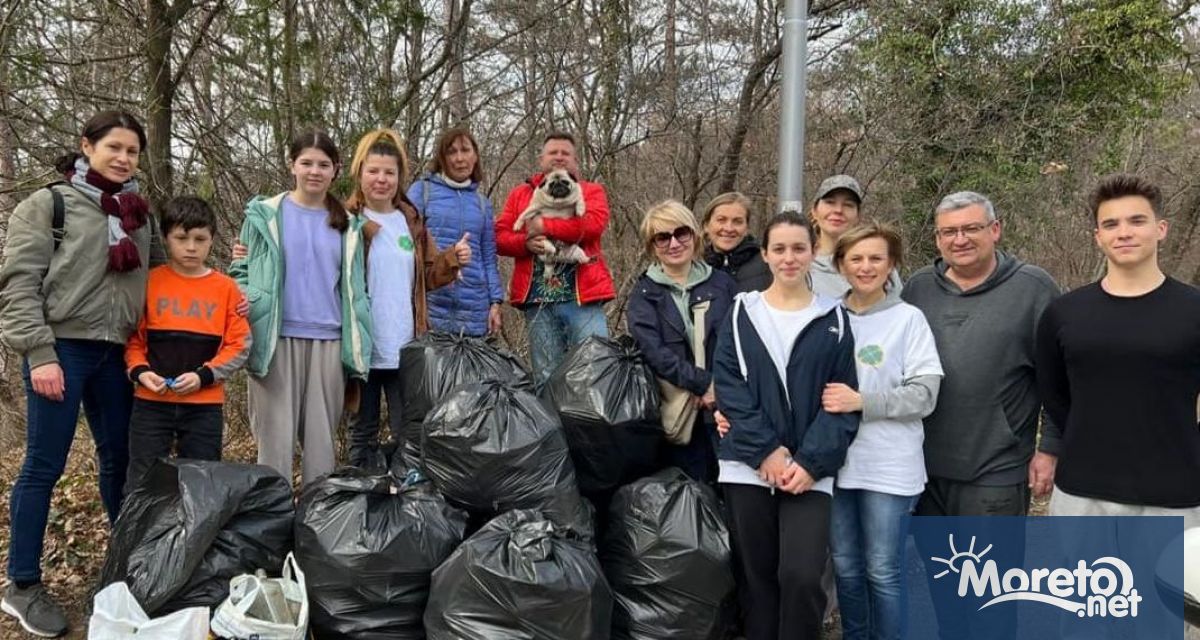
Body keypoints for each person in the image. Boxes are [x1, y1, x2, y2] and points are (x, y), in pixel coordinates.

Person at [0, 110, 157, 636]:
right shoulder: (49, 205)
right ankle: (22, 583)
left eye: (132, 151)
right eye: (114, 147)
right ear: (86, 146)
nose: (123, 158)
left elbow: (165, 273)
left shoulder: (140, 214)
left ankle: (123, 570)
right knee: (45, 465)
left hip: (118, 355)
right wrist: (39, 353)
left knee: (120, 461)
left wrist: (236, 266)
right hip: (61, 349)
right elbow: (19, 285)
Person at [901, 191, 1059, 640]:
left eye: (971, 228)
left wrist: (1049, 448)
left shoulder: (1033, 288)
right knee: (947, 594)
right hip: (927, 473)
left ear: (995, 229)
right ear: (936, 238)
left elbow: (1060, 380)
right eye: (949, 231)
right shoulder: (917, 289)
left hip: (995, 469)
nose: (960, 239)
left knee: (990, 597)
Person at [713, 211, 859, 640]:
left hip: (809, 473)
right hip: (748, 466)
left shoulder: (835, 318)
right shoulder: (743, 312)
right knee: (757, 581)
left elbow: (843, 403)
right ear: (765, 254)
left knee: (800, 575)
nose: (789, 258)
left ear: (813, 253)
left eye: (799, 248)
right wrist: (767, 451)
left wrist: (810, 462)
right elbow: (730, 386)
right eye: (779, 249)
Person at [1037, 174, 1199, 524]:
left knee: (1168, 583)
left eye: (1137, 220)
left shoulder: (1194, 310)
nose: (1123, 232)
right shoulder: (1063, 313)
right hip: (1082, 494)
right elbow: (1054, 396)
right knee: (1084, 582)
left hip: (1173, 496)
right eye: (1110, 224)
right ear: (1098, 237)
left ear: (1161, 229)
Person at [229, 129, 371, 487]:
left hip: (329, 342)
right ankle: (272, 530)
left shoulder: (349, 225)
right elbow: (241, 271)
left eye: (323, 164)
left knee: (321, 448)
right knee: (274, 445)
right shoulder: (264, 215)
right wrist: (246, 295)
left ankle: (315, 527)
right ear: (291, 165)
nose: (314, 171)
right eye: (306, 162)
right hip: (275, 339)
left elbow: (355, 289)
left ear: (336, 170)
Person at [823, 223, 943, 640]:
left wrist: (864, 402)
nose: (866, 266)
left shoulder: (908, 319)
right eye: (855, 258)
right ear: (840, 264)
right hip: (836, 465)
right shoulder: (826, 317)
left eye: (876, 257)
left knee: (882, 569)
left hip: (890, 466)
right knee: (846, 566)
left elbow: (925, 395)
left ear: (891, 264)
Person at [344, 129, 468, 467]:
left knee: (410, 434)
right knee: (362, 433)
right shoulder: (346, 221)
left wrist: (451, 259)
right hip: (364, 350)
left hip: (406, 349)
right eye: (373, 171)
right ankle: (358, 503)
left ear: (400, 177)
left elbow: (425, 278)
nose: (381, 180)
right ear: (359, 172)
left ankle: (408, 505)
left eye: (389, 172)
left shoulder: (409, 221)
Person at [123, 196, 251, 494]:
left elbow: (239, 345)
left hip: (204, 407)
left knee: (202, 483)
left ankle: (196, 542)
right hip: (151, 404)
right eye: (181, 238)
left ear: (211, 240)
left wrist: (204, 376)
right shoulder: (149, 283)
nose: (191, 247)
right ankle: (140, 541)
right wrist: (141, 373)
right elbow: (133, 340)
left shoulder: (226, 288)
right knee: (143, 481)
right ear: (166, 238)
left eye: (199, 239)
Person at [627, 200, 737, 484]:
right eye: (662, 237)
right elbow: (654, 352)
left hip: (727, 409)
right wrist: (701, 384)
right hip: (676, 413)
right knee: (691, 498)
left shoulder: (723, 284)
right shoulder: (644, 294)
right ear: (652, 246)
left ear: (694, 235)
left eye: (681, 233)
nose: (673, 243)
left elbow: (737, 340)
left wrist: (718, 386)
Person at [494, 131, 615, 388]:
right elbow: (500, 237)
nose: (559, 157)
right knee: (547, 377)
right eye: (553, 152)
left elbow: (592, 226)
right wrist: (525, 242)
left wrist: (542, 224)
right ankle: (553, 428)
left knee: (596, 370)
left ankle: (594, 428)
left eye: (565, 153)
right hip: (539, 300)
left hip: (584, 299)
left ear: (575, 161)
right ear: (541, 158)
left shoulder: (590, 191)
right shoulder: (520, 195)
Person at [408, 127, 502, 336]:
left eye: (465, 150)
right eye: (452, 152)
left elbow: (488, 259)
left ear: (475, 156)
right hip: (431, 307)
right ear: (442, 157)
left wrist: (495, 302)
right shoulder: (421, 192)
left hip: (474, 312)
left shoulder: (482, 204)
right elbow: (407, 248)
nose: (459, 158)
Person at [808, 174, 901, 298]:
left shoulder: (877, 264)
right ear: (814, 211)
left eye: (848, 205)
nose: (838, 210)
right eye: (830, 202)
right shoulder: (799, 263)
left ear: (858, 215)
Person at [701, 192, 771, 292]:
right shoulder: (694, 267)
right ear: (706, 225)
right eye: (721, 220)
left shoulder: (767, 265)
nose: (729, 228)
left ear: (747, 228)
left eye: (737, 221)